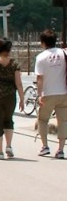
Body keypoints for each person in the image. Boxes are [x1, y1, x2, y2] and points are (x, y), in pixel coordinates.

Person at [34, 28, 67, 158]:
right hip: (64, 92)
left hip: (48, 93)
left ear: (43, 42)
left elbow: (40, 78)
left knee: (42, 120)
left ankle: (45, 146)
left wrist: (39, 94)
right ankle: (60, 150)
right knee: (63, 121)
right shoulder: (64, 53)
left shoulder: (41, 57)